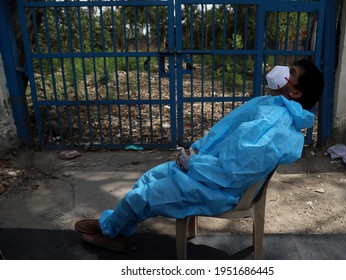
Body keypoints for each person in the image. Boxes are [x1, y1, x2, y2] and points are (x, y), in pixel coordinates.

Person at [75, 59, 324, 252]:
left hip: (216, 188)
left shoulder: (274, 126)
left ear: (295, 93)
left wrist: (193, 163)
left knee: (144, 196)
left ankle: (110, 231)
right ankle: (115, 229)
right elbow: (222, 134)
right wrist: (195, 150)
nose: (283, 70)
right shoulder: (272, 106)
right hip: (205, 172)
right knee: (148, 179)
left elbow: (233, 172)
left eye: (290, 72)